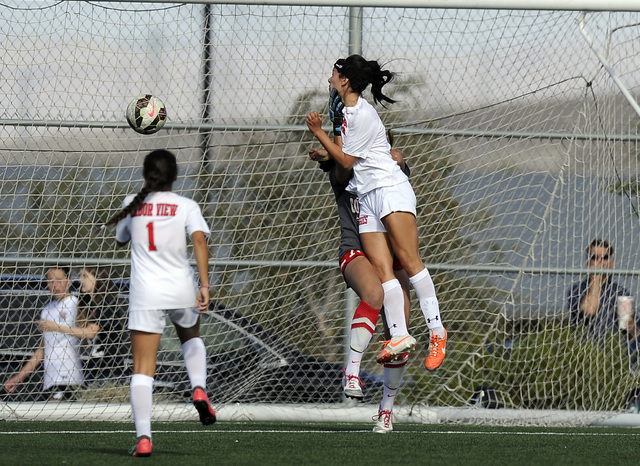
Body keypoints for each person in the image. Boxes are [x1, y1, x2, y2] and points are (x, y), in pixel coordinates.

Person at [306, 54, 447, 371]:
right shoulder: (348, 113)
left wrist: (318, 133)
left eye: (332, 75)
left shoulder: (361, 114)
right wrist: (325, 151)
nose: (329, 80)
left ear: (344, 80)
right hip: (367, 196)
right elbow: (343, 157)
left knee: (408, 261)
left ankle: (437, 331)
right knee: (384, 273)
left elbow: (346, 161)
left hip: (389, 189)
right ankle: (398, 335)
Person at [101, 149, 216, 457]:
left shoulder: (132, 203)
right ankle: (199, 387)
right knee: (191, 336)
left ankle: (144, 438)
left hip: (145, 293)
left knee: (142, 368)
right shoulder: (186, 205)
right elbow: (200, 241)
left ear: (145, 175)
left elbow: (121, 239)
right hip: (181, 288)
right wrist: (204, 285)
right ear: (176, 176)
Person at [4, 266, 86, 401]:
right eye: (50, 281)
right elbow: (43, 349)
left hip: (69, 376)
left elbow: (86, 334)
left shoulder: (76, 304)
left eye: (59, 280)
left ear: (69, 280)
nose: (54, 285)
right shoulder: (47, 310)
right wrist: (20, 376)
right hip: (50, 379)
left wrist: (55, 327)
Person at [568, 238, 639, 347]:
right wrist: (595, 279)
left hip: (614, 350)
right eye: (594, 257)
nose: (599, 261)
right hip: (586, 349)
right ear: (588, 262)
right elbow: (590, 310)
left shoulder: (621, 291)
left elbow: (630, 331)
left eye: (604, 257)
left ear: (611, 263)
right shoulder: (577, 289)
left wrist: (628, 322)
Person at [78, 266, 130, 382]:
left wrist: (55, 328)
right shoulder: (92, 305)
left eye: (85, 276)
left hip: (109, 371)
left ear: (98, 278)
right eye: (80, 276)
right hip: (95, 370)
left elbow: (90, 332)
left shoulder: (107, 302)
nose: (80, 280)